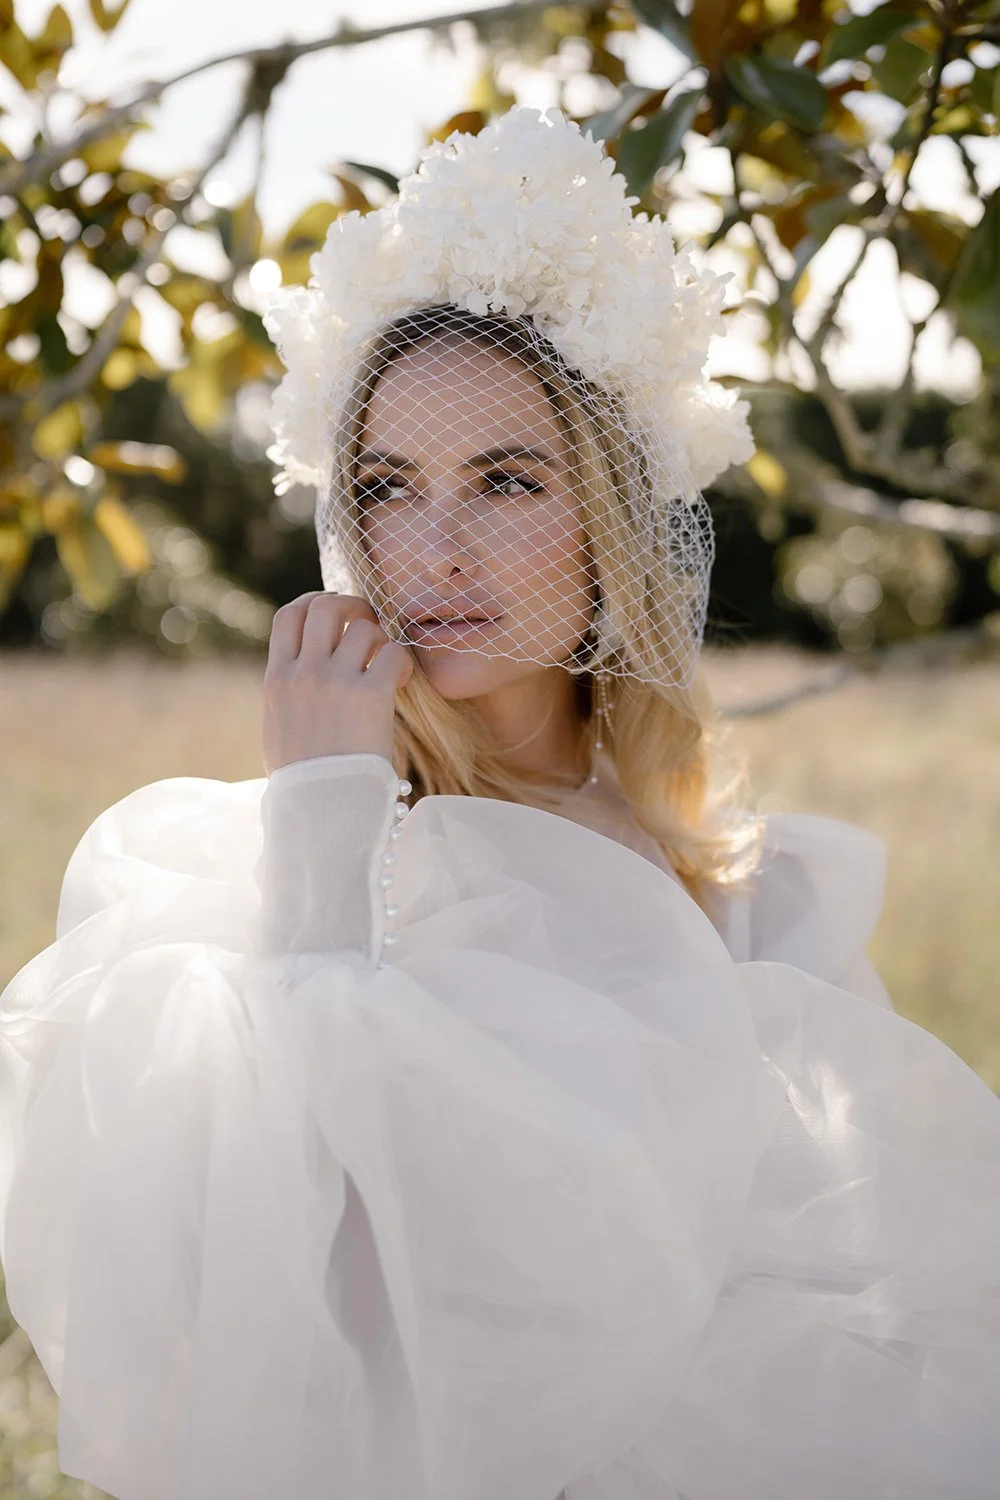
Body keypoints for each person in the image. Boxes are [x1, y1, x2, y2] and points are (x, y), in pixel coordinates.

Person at [1, 107, 998, 1500]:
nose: (436, 550)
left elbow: (871, 1273)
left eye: (508, 481)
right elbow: (277, 1304)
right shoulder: (321, 849)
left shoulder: (738, 883)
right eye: (387, 487)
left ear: (611, 518)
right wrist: (322, 812)